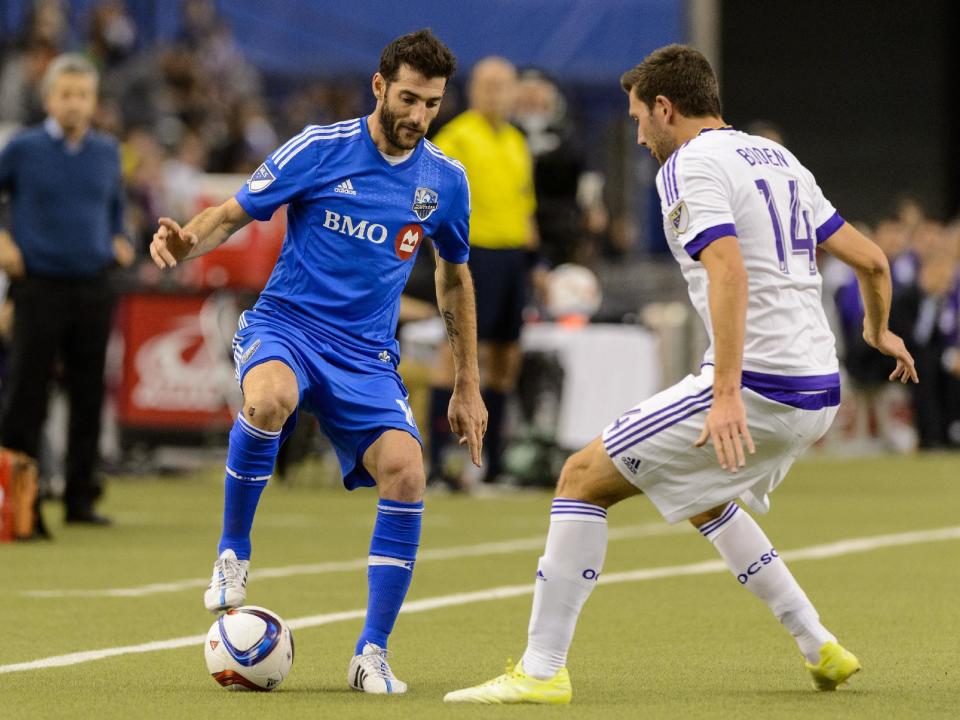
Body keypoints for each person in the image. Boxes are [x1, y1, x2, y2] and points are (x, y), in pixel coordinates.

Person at [444, 44, 917, 705]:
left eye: (640, 117)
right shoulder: (777, 158)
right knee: (700, 495)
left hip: (761, 383)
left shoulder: (688, 165)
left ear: (665, 108)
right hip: (818, 387)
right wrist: (876, 329)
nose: (638, 135)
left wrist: (725, 394)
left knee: (580, 478)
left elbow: (729, 269)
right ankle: (819, 644)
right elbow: (870, 260)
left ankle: (541, 670)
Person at [149, 29, 485, 695]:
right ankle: (233, 553)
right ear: (380, 86)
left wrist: (467, 382)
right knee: (268, 399)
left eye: (433, 104)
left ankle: (372, 653)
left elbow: (454, 277)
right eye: (409, 98)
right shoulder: (321, 148)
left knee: (408, 473)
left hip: (366, 357)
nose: (418, 116)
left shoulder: (444, 181)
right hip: (289, 327)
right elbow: (231, 213)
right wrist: (189, 244)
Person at [0, 53, 134, 528]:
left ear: (94, 101)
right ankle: (19, 502)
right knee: (26, 397)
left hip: (94, 285)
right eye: (66, 95)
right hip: (38, 286)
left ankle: (80, 498)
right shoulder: (23, 148)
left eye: (83, 95)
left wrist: (121, 239)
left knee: (88, 396)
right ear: (48, 99)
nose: (75, 104)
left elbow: (117, 210)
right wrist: (3, 241)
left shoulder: (106, 151)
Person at [428, 56, 537, 486]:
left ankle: (495, 462)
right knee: (454, 353)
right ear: (473, 90)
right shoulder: (456, 137)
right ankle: (437, 462)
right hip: (474, 254)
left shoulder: (516, 140)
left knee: (506, 358)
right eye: (487, 85)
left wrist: (537, 264)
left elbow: (525, 205)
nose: (495, 94)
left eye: (503, 86)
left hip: (512, 258)